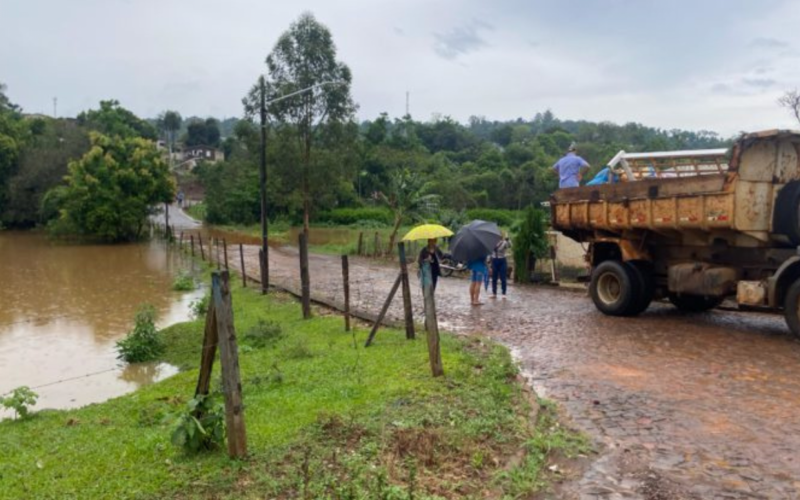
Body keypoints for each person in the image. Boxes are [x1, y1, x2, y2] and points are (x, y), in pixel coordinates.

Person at [491, 233, 512, 298]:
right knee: (494, 278)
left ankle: (504, 293)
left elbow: (510, 246)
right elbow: (489, 252)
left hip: (502, 260)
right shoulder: (491, 242)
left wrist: (508, 239)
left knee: (503, 277)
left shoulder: (504, 242)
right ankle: (494, 293)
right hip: (494, 260)